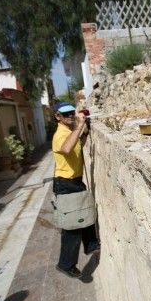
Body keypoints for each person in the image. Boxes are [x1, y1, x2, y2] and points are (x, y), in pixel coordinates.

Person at [52, 101, 99, 279]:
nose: (70, 116)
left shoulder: (70, 131)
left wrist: (83, 131)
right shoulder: (60, 134)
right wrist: (79, 126)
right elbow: (66, 148)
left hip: (75, 181)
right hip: (65, 183)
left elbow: (79, 145)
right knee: (72, 226)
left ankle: (91, 244)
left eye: (72, 112)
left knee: (85, 213)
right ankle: (65, 264)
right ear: (58, 117)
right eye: (66, 114)